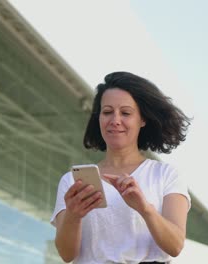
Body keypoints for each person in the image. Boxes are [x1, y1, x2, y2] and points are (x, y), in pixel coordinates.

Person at [50, 71, 192, 264]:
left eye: (125, 113)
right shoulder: (72, 181)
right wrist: (73, 216)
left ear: (142, 120)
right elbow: (67, 255)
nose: (115, 120)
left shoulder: (166, 175)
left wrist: (144, 208)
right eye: (107, 112)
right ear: (98, 118)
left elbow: (175, 246)